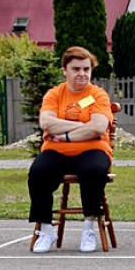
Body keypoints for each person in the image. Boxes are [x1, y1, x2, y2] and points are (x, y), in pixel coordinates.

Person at [29, 46, 113, 253]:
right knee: (38, 172)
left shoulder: (97, 95)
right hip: (56, 150)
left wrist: (66, 133)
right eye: (76, 69)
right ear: (65, 70)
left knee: (93, 171)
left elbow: (99, 127)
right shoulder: (55, 94)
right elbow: (46, 123)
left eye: (86, 69)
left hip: (93, 149)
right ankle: (47, 230)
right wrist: (84, 126)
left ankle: (88, 228)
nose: (82, 74)